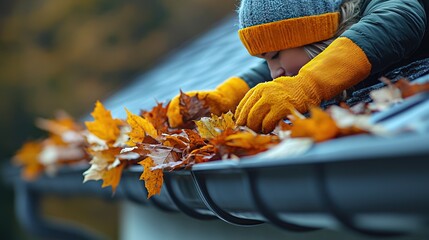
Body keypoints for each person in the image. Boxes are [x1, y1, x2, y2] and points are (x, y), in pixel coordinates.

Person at [167, 0, 429, 133]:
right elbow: (281, 72)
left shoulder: (382, 5)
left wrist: (308, 85)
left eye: (275, 55)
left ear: (312, 34)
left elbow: (400, 19)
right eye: (266, 60)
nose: (274, 72)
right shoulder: (312, 49)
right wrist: (227, 98)